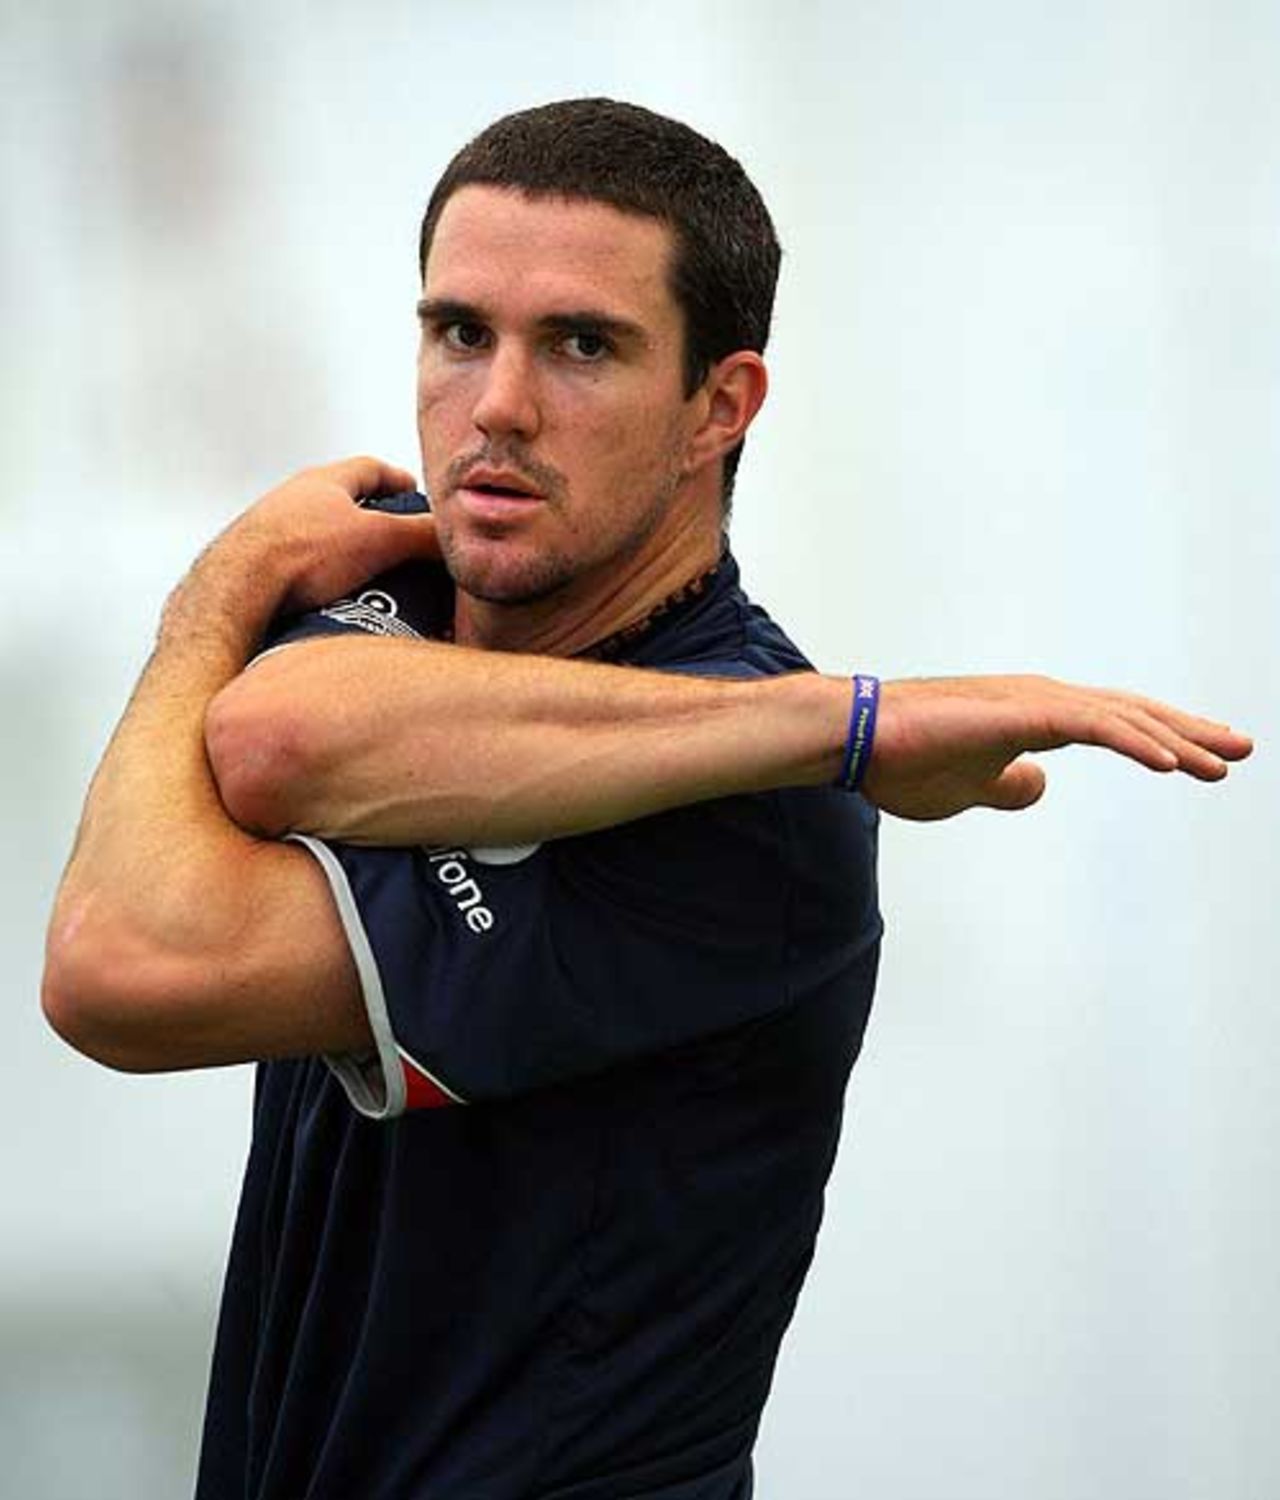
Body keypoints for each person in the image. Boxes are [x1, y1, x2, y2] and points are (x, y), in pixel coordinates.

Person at [42, 99, 1251, 1499]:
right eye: (458, 333)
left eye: (581, 345)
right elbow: (273, 735)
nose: (495, 405)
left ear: (718, 409)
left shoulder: (761, 820)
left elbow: (121, 966)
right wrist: (229, 591)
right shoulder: (400, 604)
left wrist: (829, 732)